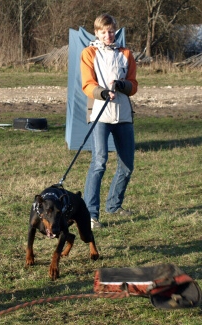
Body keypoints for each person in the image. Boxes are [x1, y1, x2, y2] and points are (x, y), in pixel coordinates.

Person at [80, 13, 138, 229]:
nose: (108, 35)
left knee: (127, 166)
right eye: (103, 31)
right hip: (99, 115)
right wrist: (103, 93)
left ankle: (114, 205)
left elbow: (134, 85)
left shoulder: (126, 54)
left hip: (123, 116)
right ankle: (91, 214)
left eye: (111, 31)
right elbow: (87, 84)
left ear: (116, 31)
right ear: (96, 33)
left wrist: (122, 86)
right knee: (99, 162)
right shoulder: (89, 53)